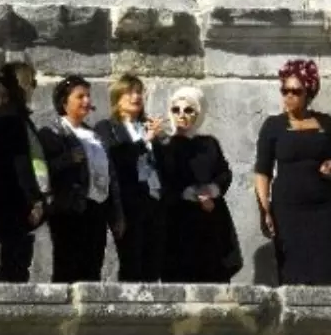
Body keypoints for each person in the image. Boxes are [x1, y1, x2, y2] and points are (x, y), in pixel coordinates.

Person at [254, 59, 331, 286]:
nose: (288, 96)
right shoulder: (273, 125)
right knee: (293, 273)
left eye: (296, 91)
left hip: (322, 210)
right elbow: (262, 171)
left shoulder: (327, 123)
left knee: (327, 271)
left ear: (309, 92)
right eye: (284, 90)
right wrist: (264, 209)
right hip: (287, 211)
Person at [39, 75, 124, 282]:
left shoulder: (94, 136)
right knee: (67, 267)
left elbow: (109, 176)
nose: (87, 101)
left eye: (88, 96)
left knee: (92, 267)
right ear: (64, 102)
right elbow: (44, 170)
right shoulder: (51, 133)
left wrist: (116, 215)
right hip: (69, 210)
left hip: (97, 210)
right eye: (80, 96)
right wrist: (68, 159)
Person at [156, 86, 240, 283]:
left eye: (188, 110)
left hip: (210, 219)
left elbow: (224, 172)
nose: (182, 115)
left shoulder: (209, 143)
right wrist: (189, 194)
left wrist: (212, 191)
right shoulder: (165, 145)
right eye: (176, 110)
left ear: (198, 113)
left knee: (213, 274)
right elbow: (163, 180)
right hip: (178, 221)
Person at [95, 74, 167, 282]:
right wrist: (145, 142)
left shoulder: (149, 126)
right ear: (117, 98)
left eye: (139, 92)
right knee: (132, 264)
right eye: (129, 92)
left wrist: (161, 141)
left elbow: (163, 166)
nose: (136, 96)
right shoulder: (107, 128)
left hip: (154, 201)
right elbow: (116, 159)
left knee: (153, 265)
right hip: (128, 204)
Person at [0, 62, 46, 283]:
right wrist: (34, 200)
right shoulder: (11, 120)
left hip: (5, 199)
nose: (34, 88)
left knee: (14, 263)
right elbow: (21, 165)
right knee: (15, 266)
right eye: (32, 83)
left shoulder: (1, 117)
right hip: (14, 201)